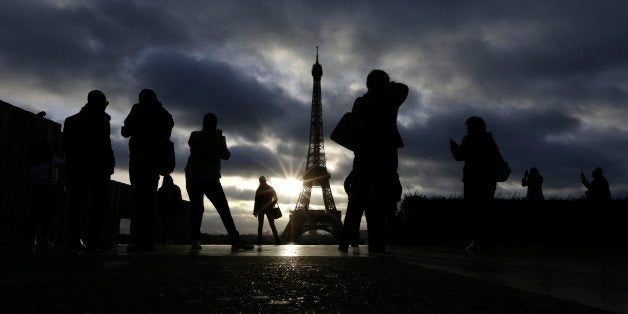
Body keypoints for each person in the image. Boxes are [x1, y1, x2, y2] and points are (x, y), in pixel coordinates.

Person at [349, 69, 408, 253]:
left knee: (366, 194)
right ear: (385, 83)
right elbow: (404, 88)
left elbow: (353, 125)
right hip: (386, 152)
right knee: (384, 195)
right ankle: (381, 240)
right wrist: (389, 86)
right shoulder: (391, 99)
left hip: (365, 153)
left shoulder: (361, 102)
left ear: (367, 83)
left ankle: (373, 240)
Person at [185, 113, 253, 251]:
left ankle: (195, 241)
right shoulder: (217, 138)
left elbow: (192, 144)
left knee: (197, 209)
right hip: (210, 178)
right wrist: (221, 139)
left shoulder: (194, 135)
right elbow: (226, 155)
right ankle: (235, 240)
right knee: (223, 209)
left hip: (193, 176)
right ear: (215, 125)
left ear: (203, 123)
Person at [121, 89, 174, 251]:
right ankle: (148, 240)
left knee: (138, 198)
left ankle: (138, 239)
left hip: (138, 158)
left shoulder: (137, 109)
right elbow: (167, 135)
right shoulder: (165, 114)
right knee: (150, 198)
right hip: (155, 161)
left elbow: (125, 131)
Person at [63, 90, 115, 250]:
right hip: (97, 167)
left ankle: (73, 239)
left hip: (77, 166)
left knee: (76, 203)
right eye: (104, 104)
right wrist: (110, 163)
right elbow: (105, 144)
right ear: (99, 103)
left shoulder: (70, 121)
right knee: (99, 203)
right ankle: (94, 239)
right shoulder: (102, 120)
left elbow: (66, 146)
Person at [449, 116, 502, 251]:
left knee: (474, 211)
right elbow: (497, 158)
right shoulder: (489, 140)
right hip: (489, 179)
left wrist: (453, 147)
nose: (467, 130)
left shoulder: (469, 139)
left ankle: (477, 241)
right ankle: (488, 242)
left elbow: (460, 156)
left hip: (473, 179)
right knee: (486, 210)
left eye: (468, 127)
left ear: (472, 127)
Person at [25, 137, 64, 250]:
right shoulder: (52, 160)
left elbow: (28, 174)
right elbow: (64, 164)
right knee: (47, 216)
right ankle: (43, 240)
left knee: (33, 215)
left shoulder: (31, 162)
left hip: (35, 188)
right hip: (49, 189)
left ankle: (30, 239)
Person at [253, 176, 281, 245]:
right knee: (272, 225)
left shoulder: (258, 190)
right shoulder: (270, 188)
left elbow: (256, 202)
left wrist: (255, 211)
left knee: (260, 225)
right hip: (269, 209)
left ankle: (259, 240)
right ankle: (277, 240)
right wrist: (271, 204)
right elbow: (276, 198)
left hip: (261, 209)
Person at [157, 174, 183, 244]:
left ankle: (164, 239)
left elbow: (158, 201)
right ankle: (168, 240)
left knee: (164, 225)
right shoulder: (176, 188)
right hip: (172, 210)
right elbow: (179, 199)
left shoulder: (161, 190)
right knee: (170, 225)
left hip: (164, 210)